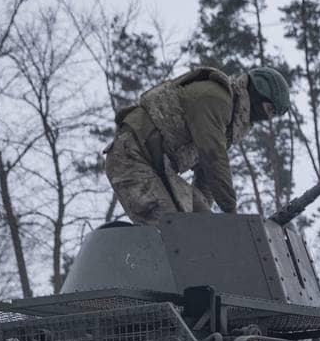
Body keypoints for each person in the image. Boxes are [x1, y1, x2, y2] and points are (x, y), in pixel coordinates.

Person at [104, 66, 290, 225]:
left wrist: (204, 217)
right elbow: (213, 157)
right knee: (173, 231)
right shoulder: (218, 99)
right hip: (131, 156)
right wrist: (232, 212)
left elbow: (205, 174)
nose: (267, 118)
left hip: (157, 167)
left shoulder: (228, 121)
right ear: (257, 95)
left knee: (201, 230)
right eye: (268, 110)